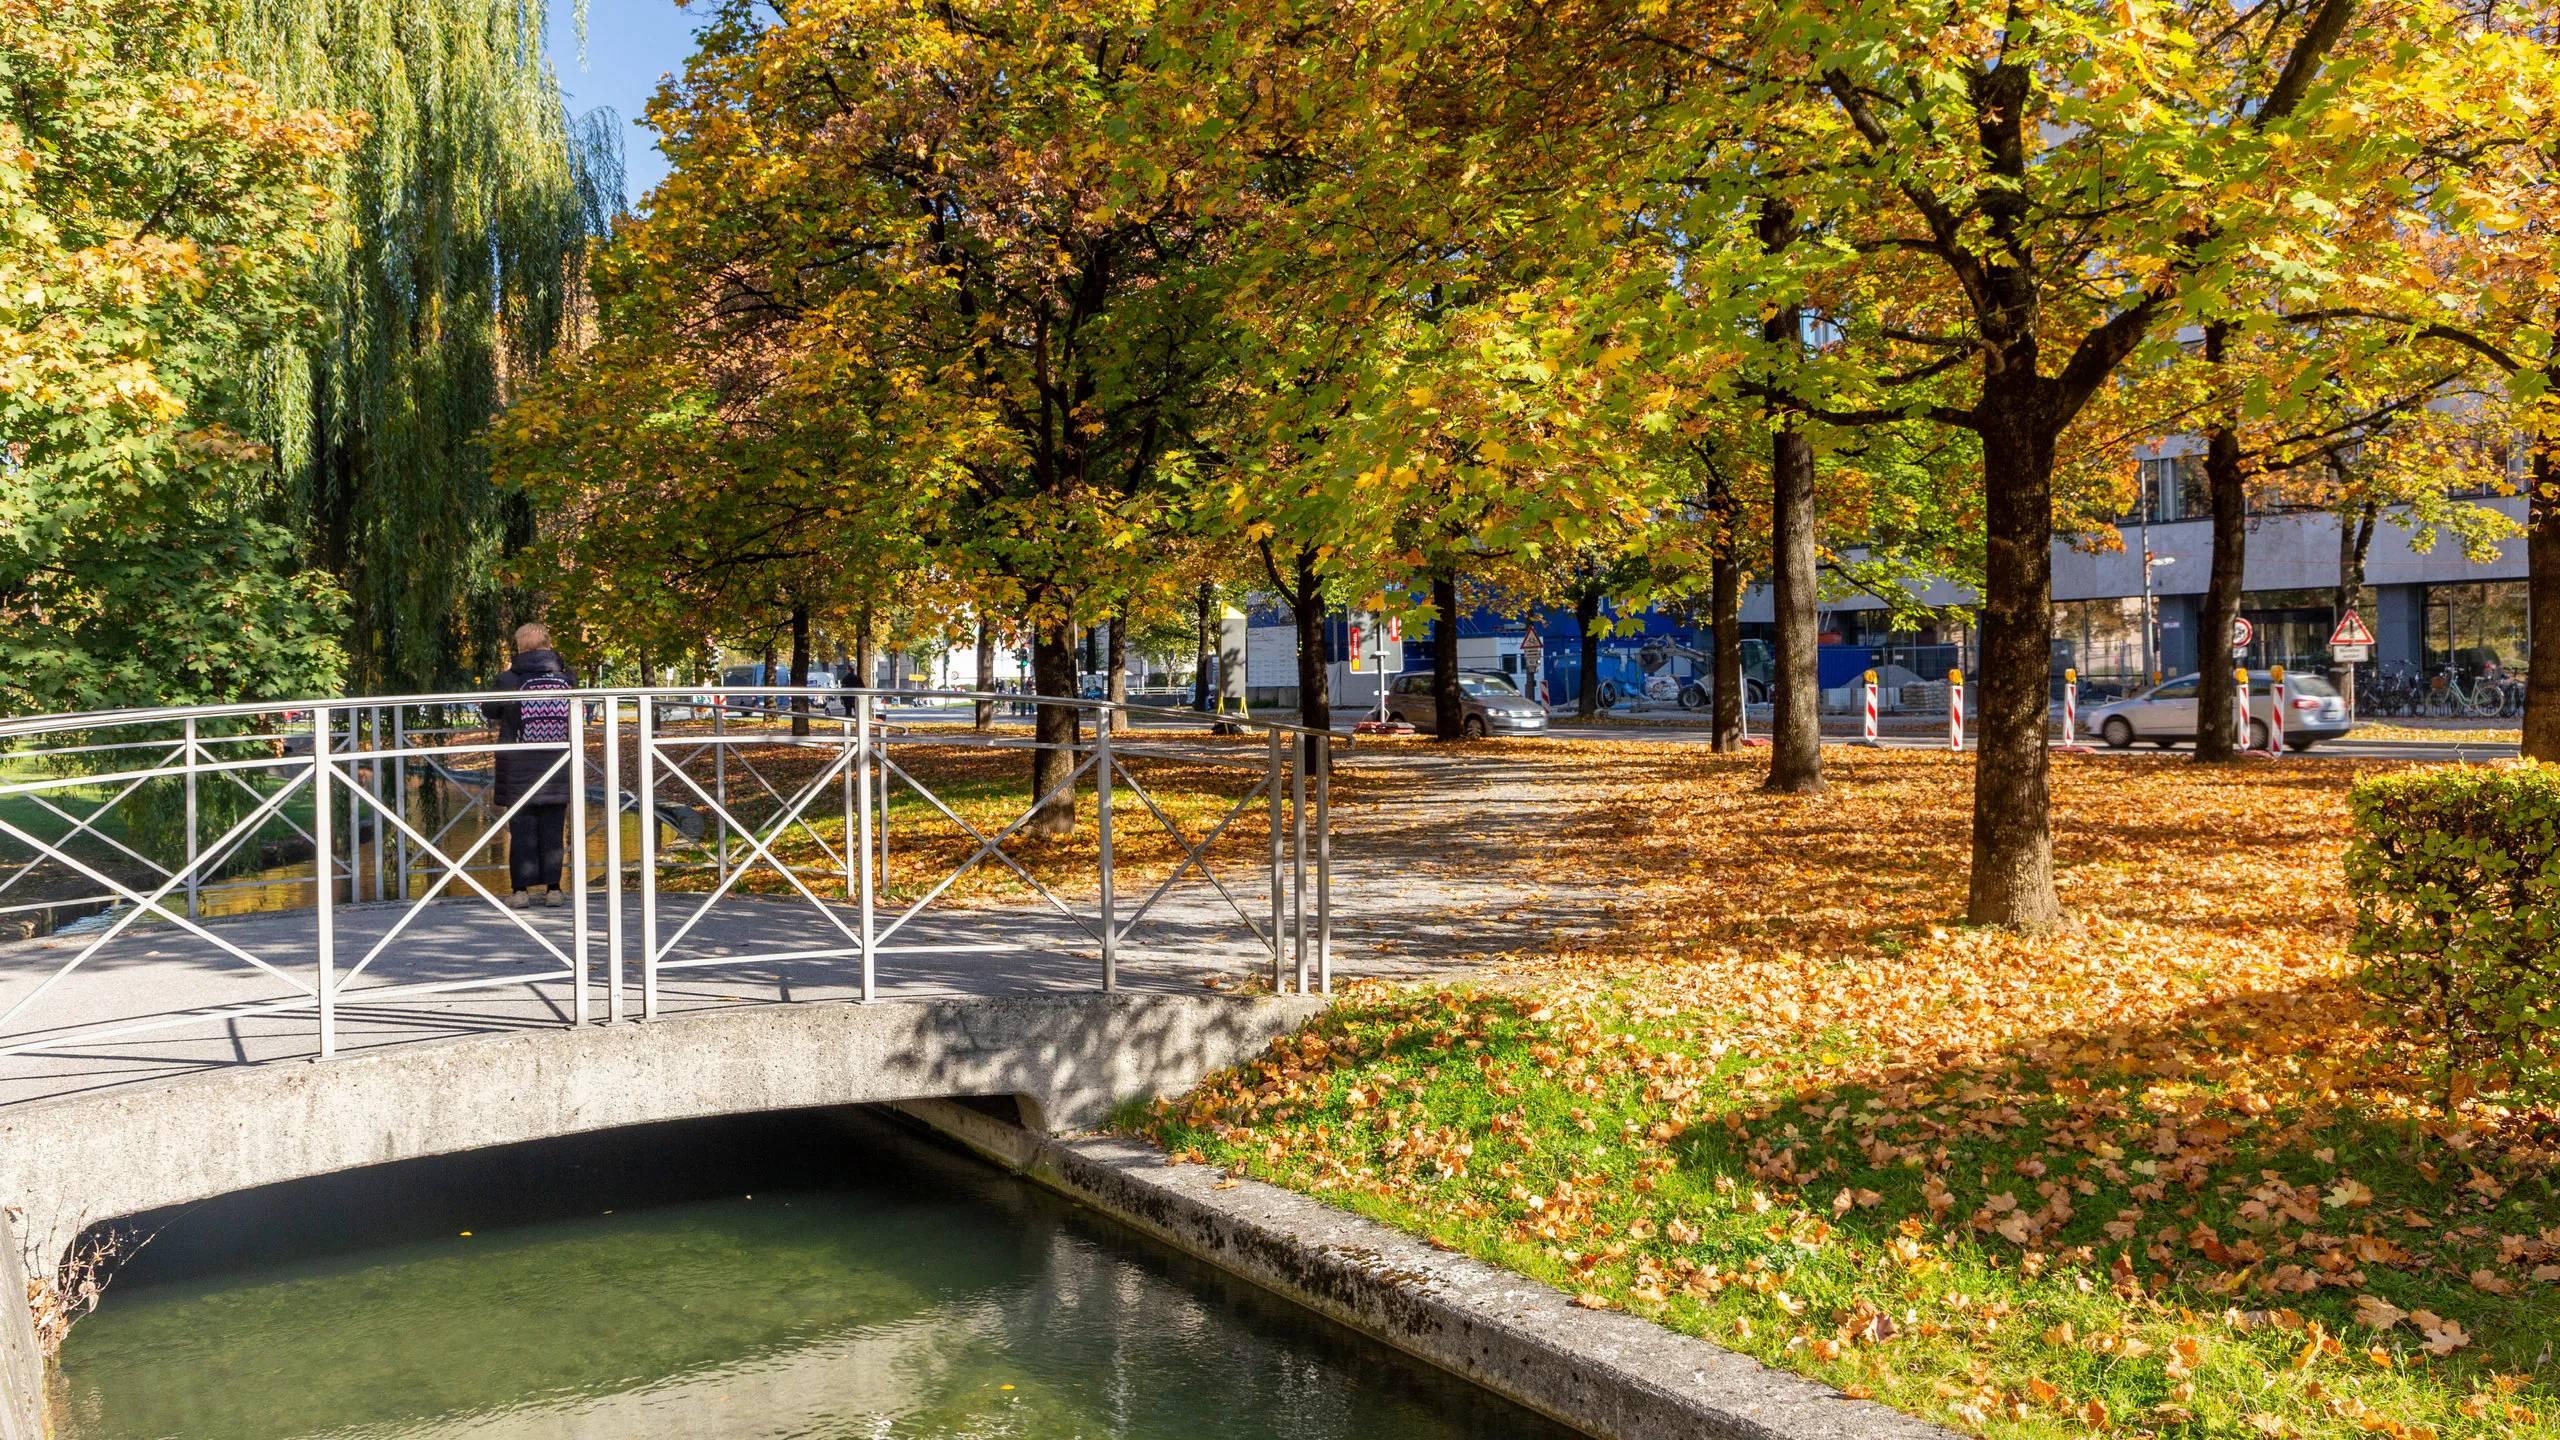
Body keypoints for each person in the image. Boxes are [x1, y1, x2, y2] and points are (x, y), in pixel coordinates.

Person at [483, 623, 576, 908]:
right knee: (553, 827)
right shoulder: (568, 678)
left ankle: (520, 892)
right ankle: (554, 890)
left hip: (518, 763)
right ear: (549, 643)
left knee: (521, 828)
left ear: (520, 646)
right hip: (556, 762)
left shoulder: (507, 680)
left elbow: (490, 710)